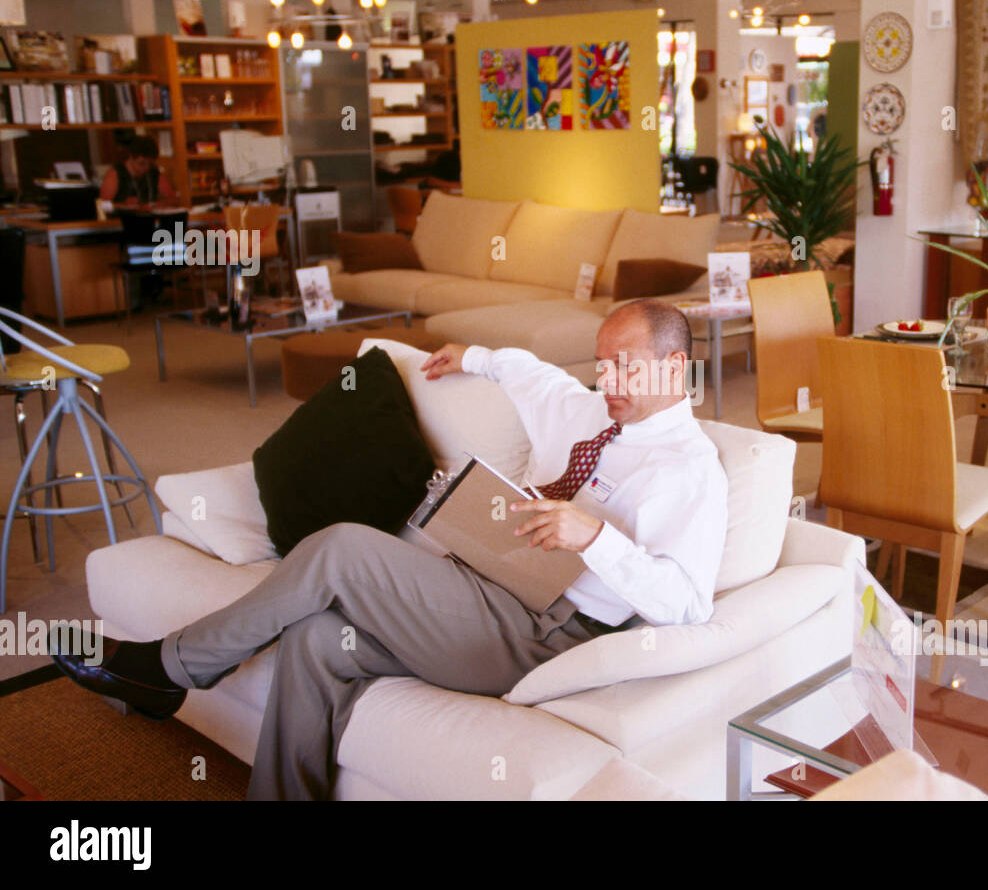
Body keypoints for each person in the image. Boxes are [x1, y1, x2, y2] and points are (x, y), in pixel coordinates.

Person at [51, 300, 728, 800]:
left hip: (545, 632)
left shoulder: (689, 469)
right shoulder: (587, 411)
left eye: (627, 366)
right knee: (318, 637)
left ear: (674, 366)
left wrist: (596, 537)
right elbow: (528, 371)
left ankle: (166, 668)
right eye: (604, 362)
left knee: (342, 547)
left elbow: (689, 604)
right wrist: (474, 356)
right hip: (482, 585)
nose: (610, 378)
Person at [98, 136, 179, 208]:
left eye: (150, 164)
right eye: (142, 163)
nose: (146, 168)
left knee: (178, 222)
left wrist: (153, 205)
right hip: (122, 221)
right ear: (131, 157)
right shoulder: (115, 174)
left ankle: (180, 226)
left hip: (150, 220)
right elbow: (103, 205)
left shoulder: (153, 173)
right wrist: (127, 206)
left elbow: (174, 200)